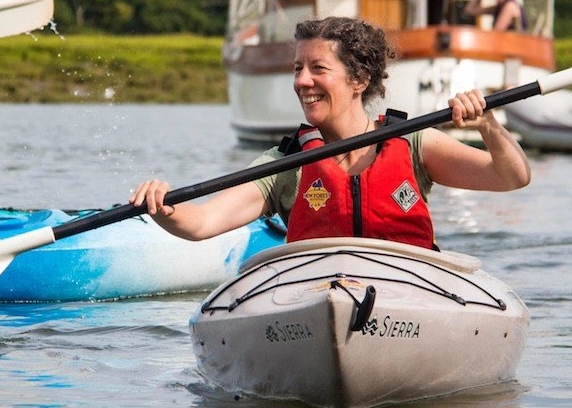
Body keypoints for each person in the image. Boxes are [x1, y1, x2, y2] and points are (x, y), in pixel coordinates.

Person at [129, 16, 530, 248]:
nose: (302, 81)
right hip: (316, 296)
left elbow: (512, 177)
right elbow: (200, 223)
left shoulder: (414, 143)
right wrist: (165, 206)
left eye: (318, 69)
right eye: (297, 69)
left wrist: (488, 126)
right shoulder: (286, 164)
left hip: (409, 294)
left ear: (359, 80)